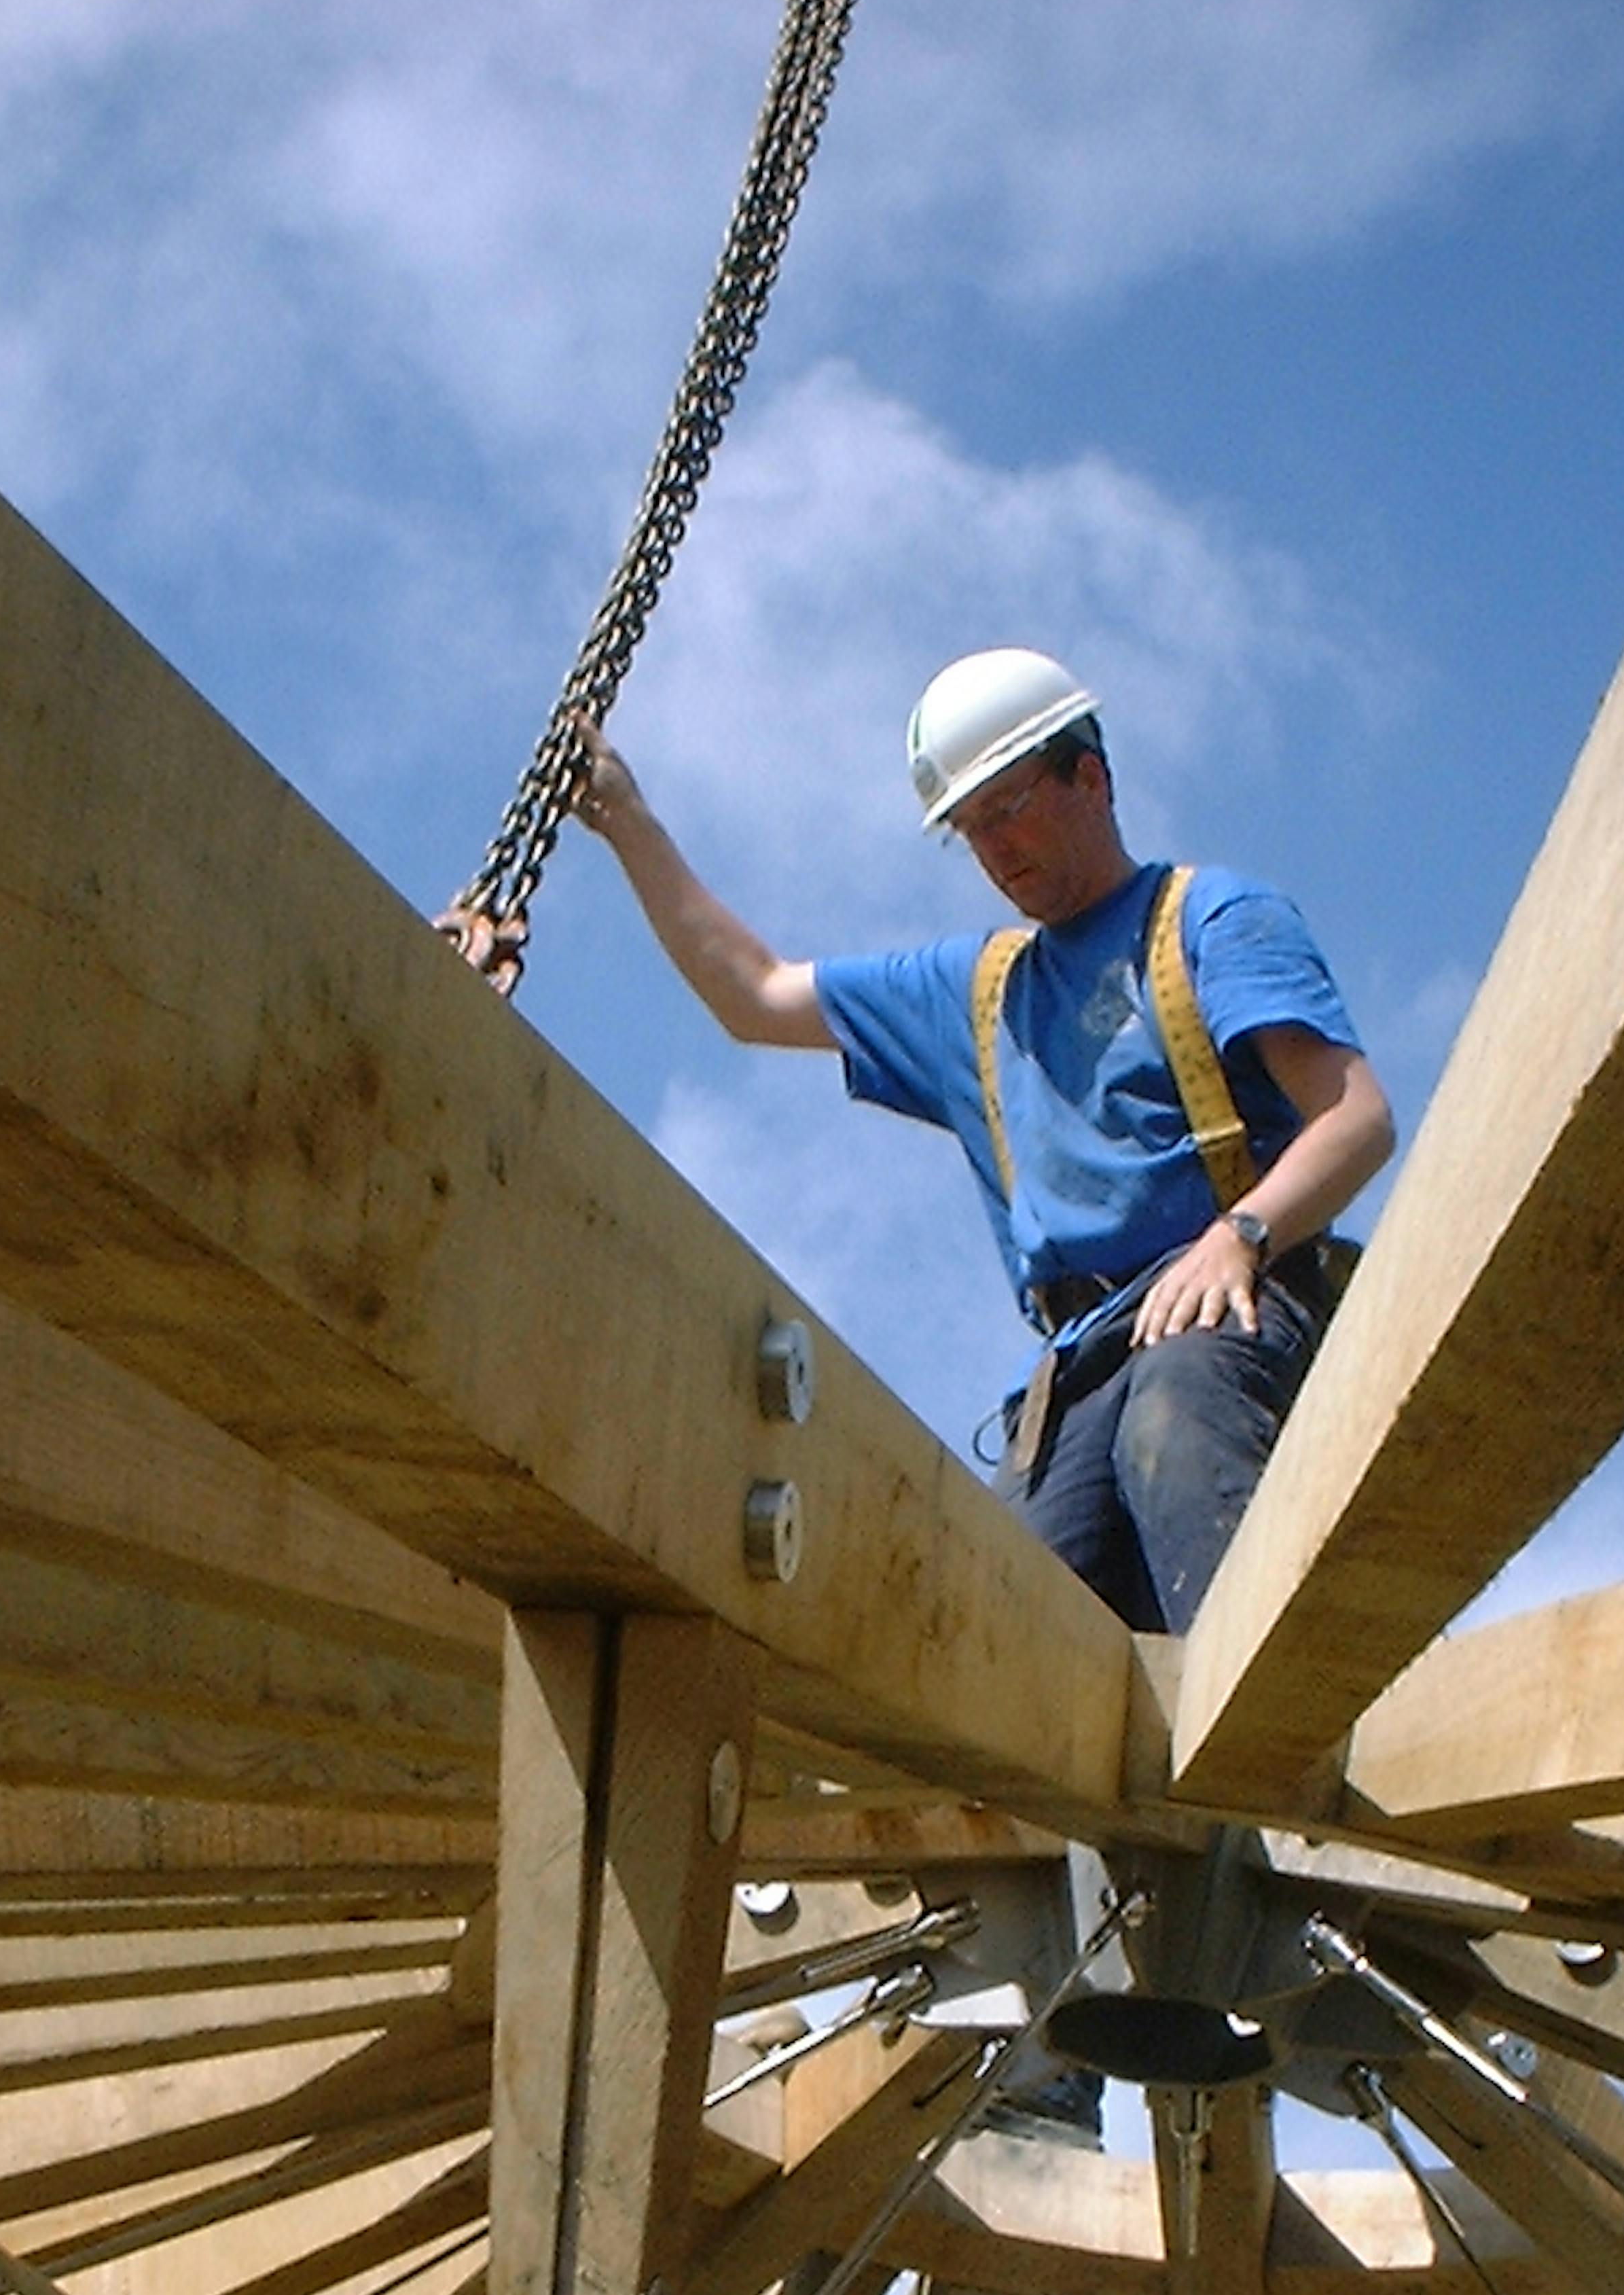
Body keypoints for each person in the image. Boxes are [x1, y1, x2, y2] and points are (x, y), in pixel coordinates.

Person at [549, 646, 1394, 1635]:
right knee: (1004, 1631)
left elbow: (1356, 1118)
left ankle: (1273, 1753)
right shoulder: (976, 992)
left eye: (1008, 807)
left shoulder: (1210, 920)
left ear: (1093, 777)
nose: (994, 849)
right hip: (1079, 1373)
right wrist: (626, 823)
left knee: (1178, 1426)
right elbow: (758, 996)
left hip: (1232, 1310)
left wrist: (1239, 1236)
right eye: (968, 829)